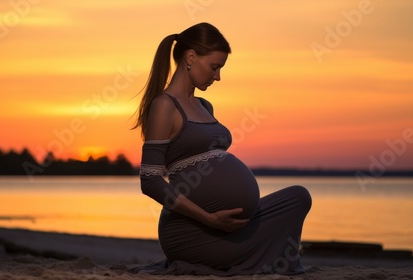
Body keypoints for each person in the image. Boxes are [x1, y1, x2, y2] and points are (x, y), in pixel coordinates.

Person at [132, 22, 312, 276]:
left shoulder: (205, 105)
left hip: (225, 229)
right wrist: (209, 219)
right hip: (192, 233)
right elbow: (150, 180)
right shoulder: (164, 105)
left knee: (298, 197)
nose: (218, 77)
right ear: (191, 57)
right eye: (215, 67)